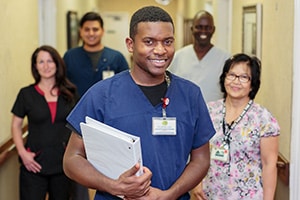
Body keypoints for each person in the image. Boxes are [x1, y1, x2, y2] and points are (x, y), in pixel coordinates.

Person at [63, 6, 215, 200]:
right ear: (130, 44)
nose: (160, 50)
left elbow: (201, 159)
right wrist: (114, 186)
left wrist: (169, 195)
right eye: (149, 42)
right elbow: (71, 159)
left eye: (167, 42)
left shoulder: (190, 95)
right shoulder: (101, 95)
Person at [191, 53, 280, 200]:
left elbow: (269, 164)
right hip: (210, 193)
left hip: (248, 196)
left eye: (244, 77)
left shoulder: (263, 118)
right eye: (231, 75)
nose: (236, 81)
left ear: (253, 84)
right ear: (224, 77)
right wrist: (197, 183)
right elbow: (198, 152)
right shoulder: (209, 111)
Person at [11, 45, 78, 200]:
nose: (46, 66)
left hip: (62, 165)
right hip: (33, 164)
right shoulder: (26, 94)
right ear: (35, 66)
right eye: (41, 62)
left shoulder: (70, 93)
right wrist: (22, 153)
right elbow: (16, 125)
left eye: (50, 61)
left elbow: (78, 125)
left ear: (57, 63)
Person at [169, 10, 230, 103]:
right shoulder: (179, 56)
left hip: (214, 114)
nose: (203, 31)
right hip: (184, 112)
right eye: (199, 27)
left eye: (208, 27)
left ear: (213, 29)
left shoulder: (225, 58)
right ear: (192, 29)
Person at [63, 11, 129, 97]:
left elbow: (126, 86)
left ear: (102, 31)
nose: (91, 33)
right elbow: (61, 85)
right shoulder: (70, 56)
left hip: (108, 108)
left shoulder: (116, 58)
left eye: (95, 29)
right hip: (78, 108)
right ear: (81, 31)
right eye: (87, 29)